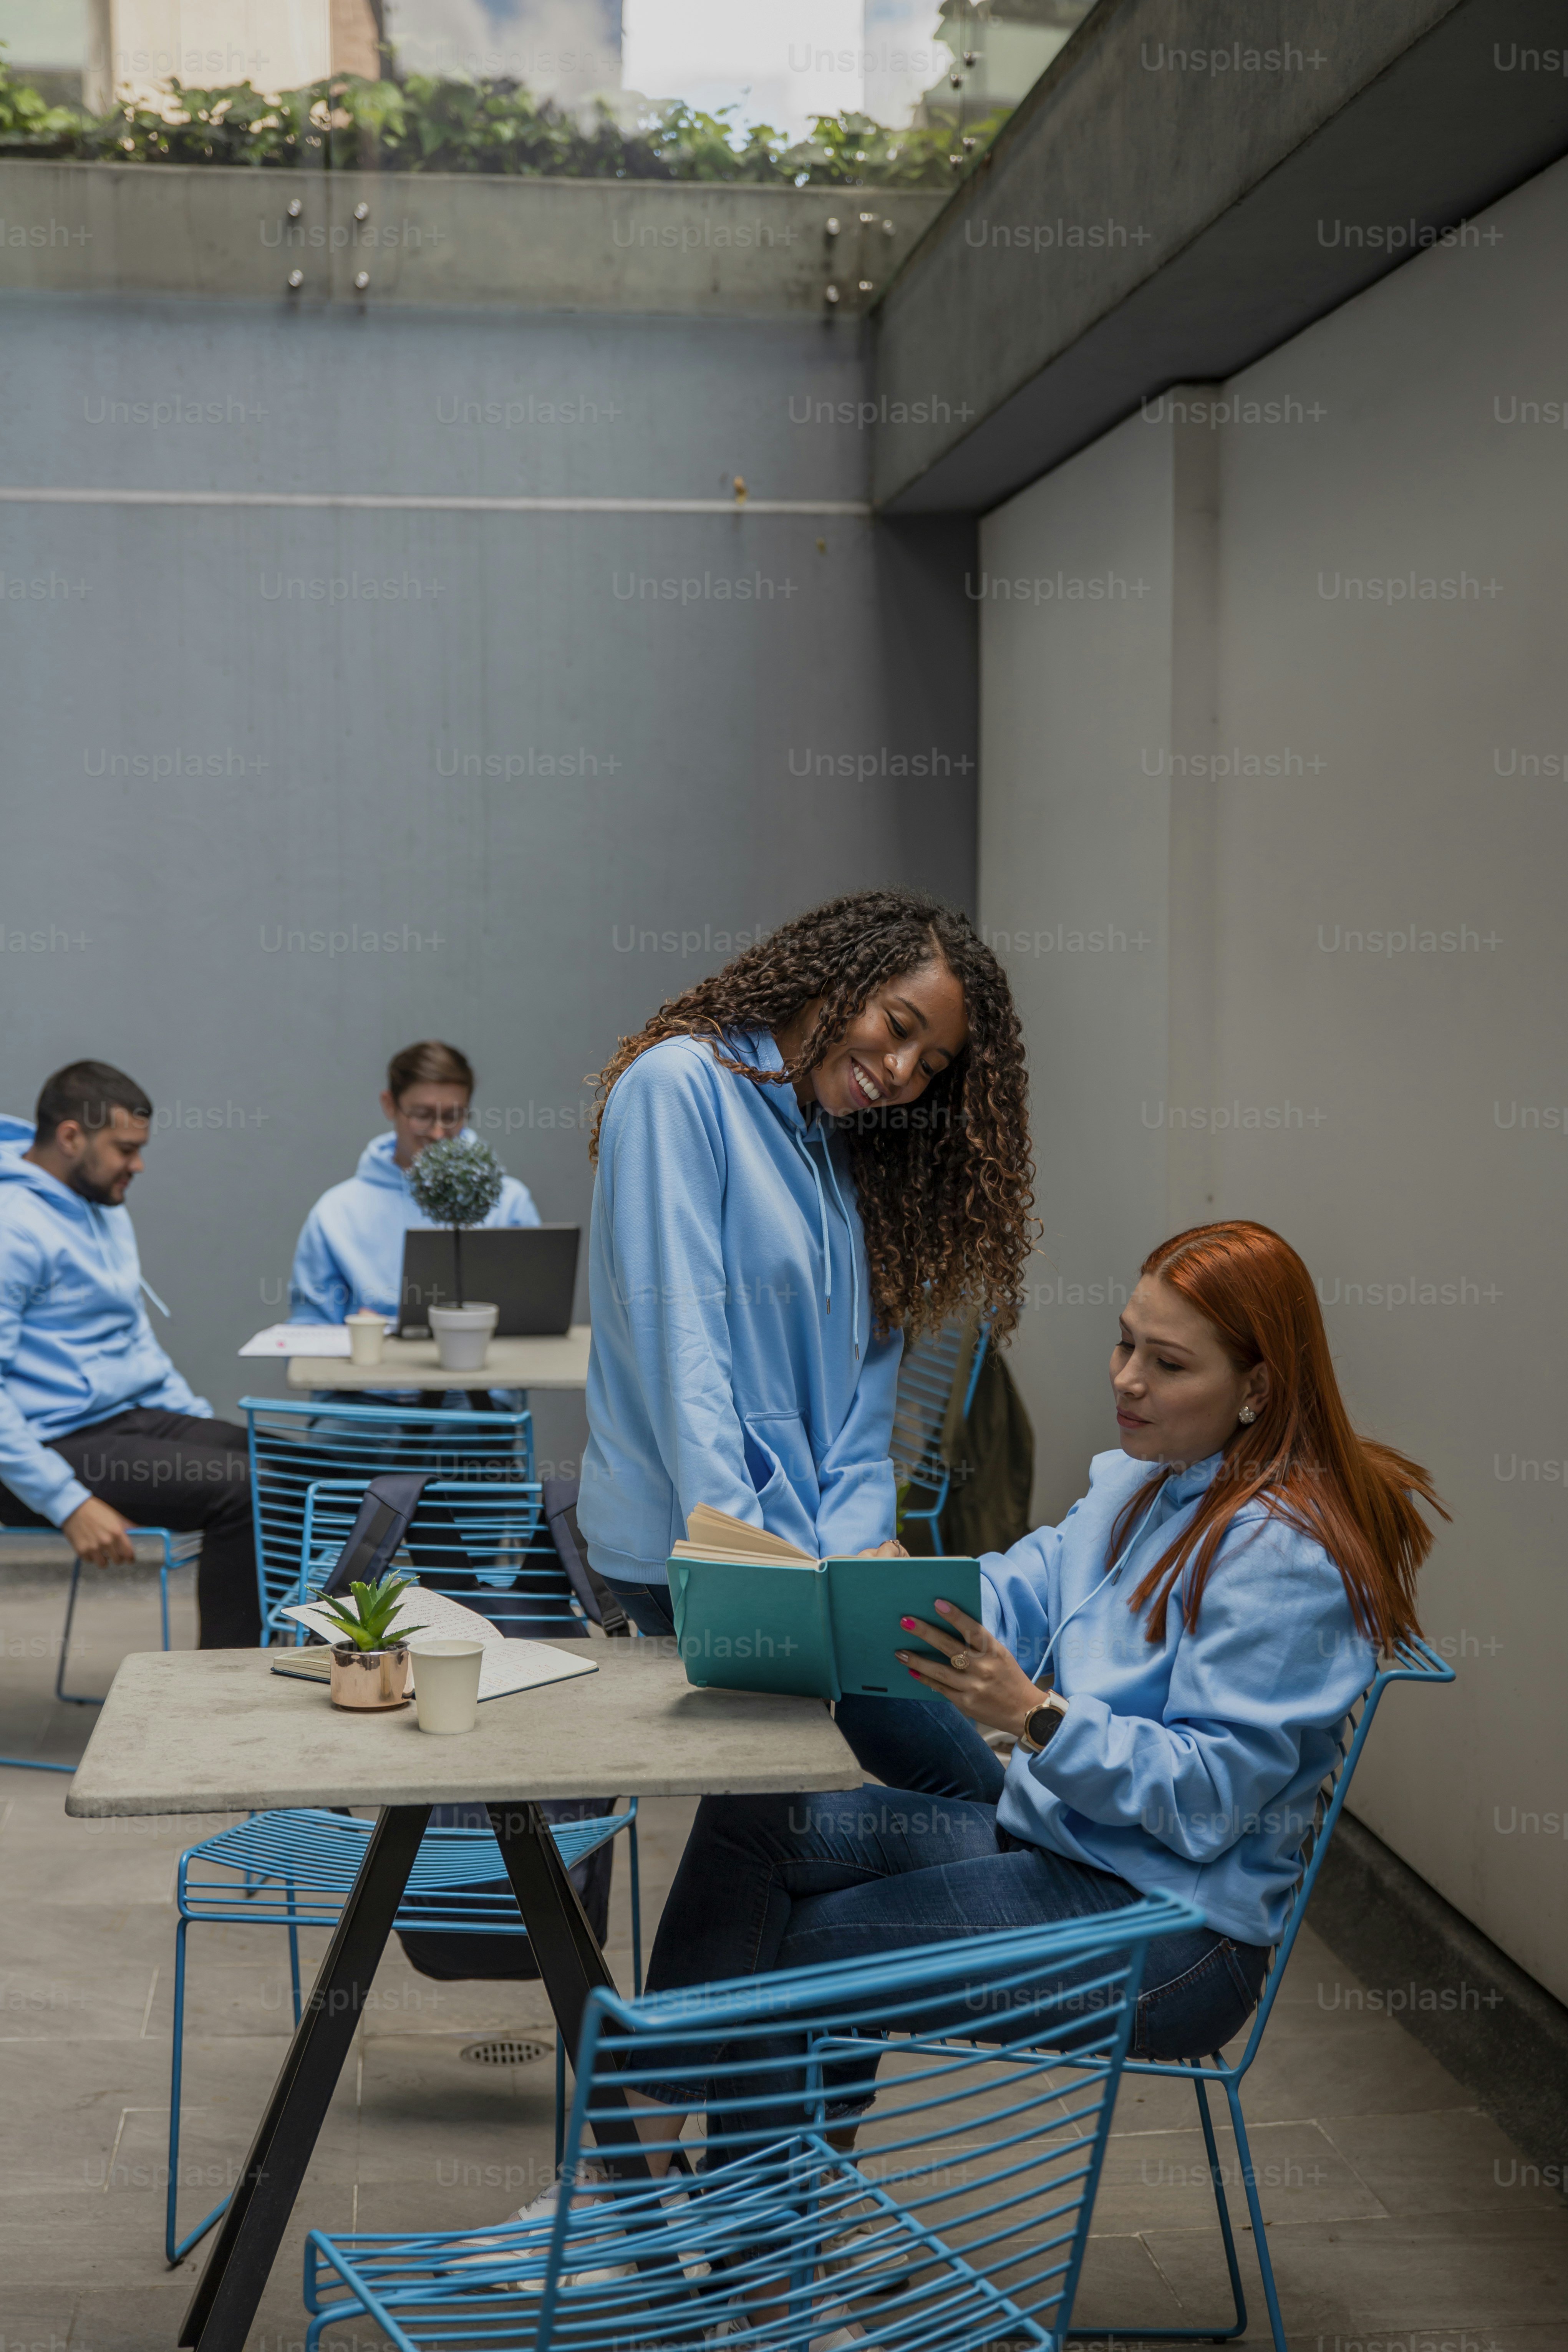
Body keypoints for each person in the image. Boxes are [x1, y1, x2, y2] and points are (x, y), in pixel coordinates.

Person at [514, 1219, 1444, 2229]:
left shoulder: (1286, 1555)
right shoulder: (1136, 1483)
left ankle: (764, 2288)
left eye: (1166, 1362)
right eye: (1125, 1341)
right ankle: (631, 2183)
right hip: (1062, 1837)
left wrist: (1036, 1715)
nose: (1126, 1377)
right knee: (757, 1825)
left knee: (808, 1958)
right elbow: (1017, 1585)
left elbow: (1210, 1803)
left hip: (1176, 1930)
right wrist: (886, 1591)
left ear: (1257, 1388)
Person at [577, 888, 1036, 1666]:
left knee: (881, 1768)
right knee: (807, 1778)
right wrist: (745, 1562)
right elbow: (683, 1350)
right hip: (691, 1550)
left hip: (812, 1563)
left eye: (929, 1065)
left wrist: (852, 1562)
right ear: (838, 978)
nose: (898, 1072)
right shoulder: (679, 1088)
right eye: (897, 1027)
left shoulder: (849, 1153)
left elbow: (866, 1384)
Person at [0, 1062, 261, 1648]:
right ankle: (226, 1702)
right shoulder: (12, 1228)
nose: (138, 1165)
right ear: (71, 1137)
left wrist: (196, 1425)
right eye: (125, 1149)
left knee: (295, 1468)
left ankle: (316, 1660)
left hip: (124, 1423)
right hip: (43, 1448)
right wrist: (68, 1504)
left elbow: (133, 1338)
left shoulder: (104, 1209)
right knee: (244, 1491)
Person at [290, 1038, 540, 1326]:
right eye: (422, 1115)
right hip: (374, 1369)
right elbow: (307, 1334)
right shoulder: (335, 1213)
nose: (437, 1133)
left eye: (452, 1116)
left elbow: (533, 1314)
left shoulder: (509, 1201)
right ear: (390, 1105)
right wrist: (365, 1335)